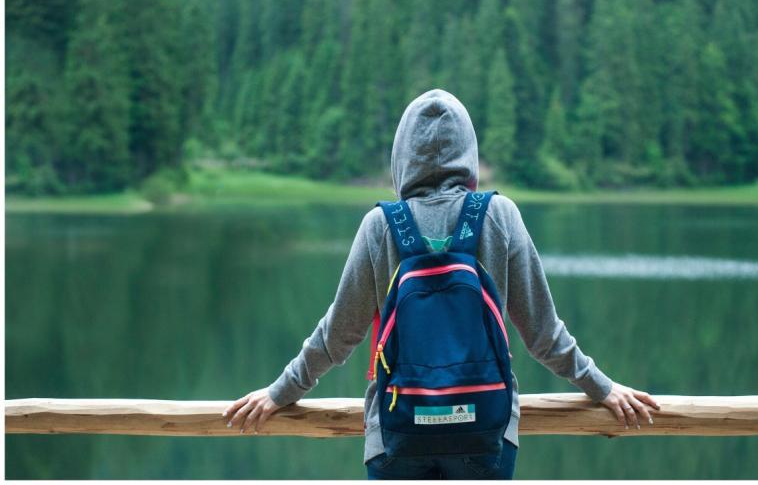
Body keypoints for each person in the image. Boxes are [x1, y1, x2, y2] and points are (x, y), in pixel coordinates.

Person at [223, 88, 661, 479]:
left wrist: (281, 392)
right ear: (469, 152)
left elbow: (338, 337)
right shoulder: (499, 215)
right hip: (484, 433)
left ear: (401, 156)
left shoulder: (380, 225)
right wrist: (603, 387)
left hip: (398, 436)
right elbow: (544, 336)